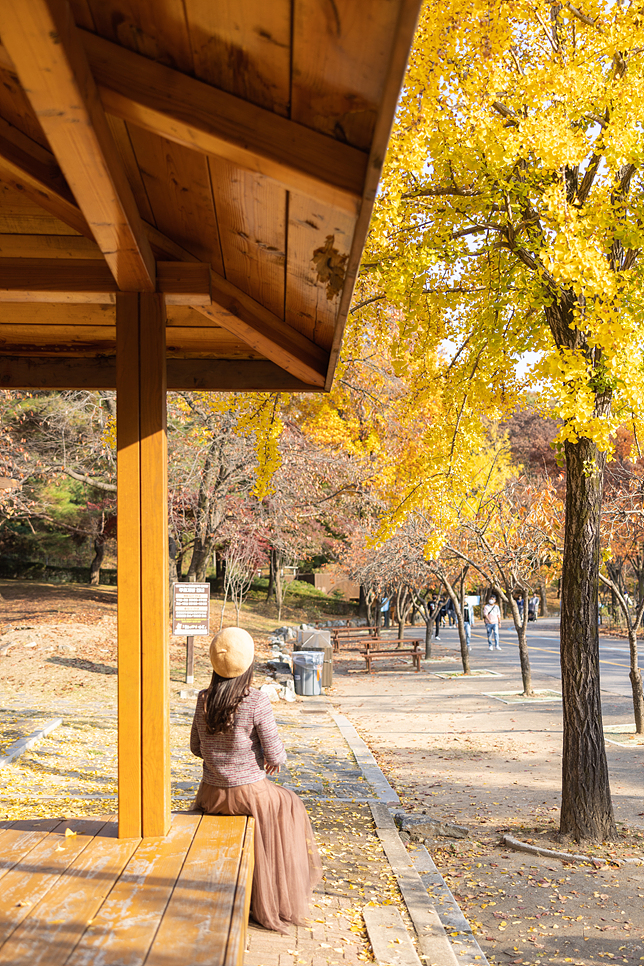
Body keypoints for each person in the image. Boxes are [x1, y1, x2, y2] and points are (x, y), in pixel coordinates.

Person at [191, 627, 322, 933]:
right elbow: (276, 754)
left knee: (277, 806)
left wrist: (219, 757)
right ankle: (272, 899)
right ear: (248, 663)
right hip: (249, 794)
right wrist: (267, 761)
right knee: (290, 805)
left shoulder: (203, 698)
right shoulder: (257, 699)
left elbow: (196, 748)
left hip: (210, 793)